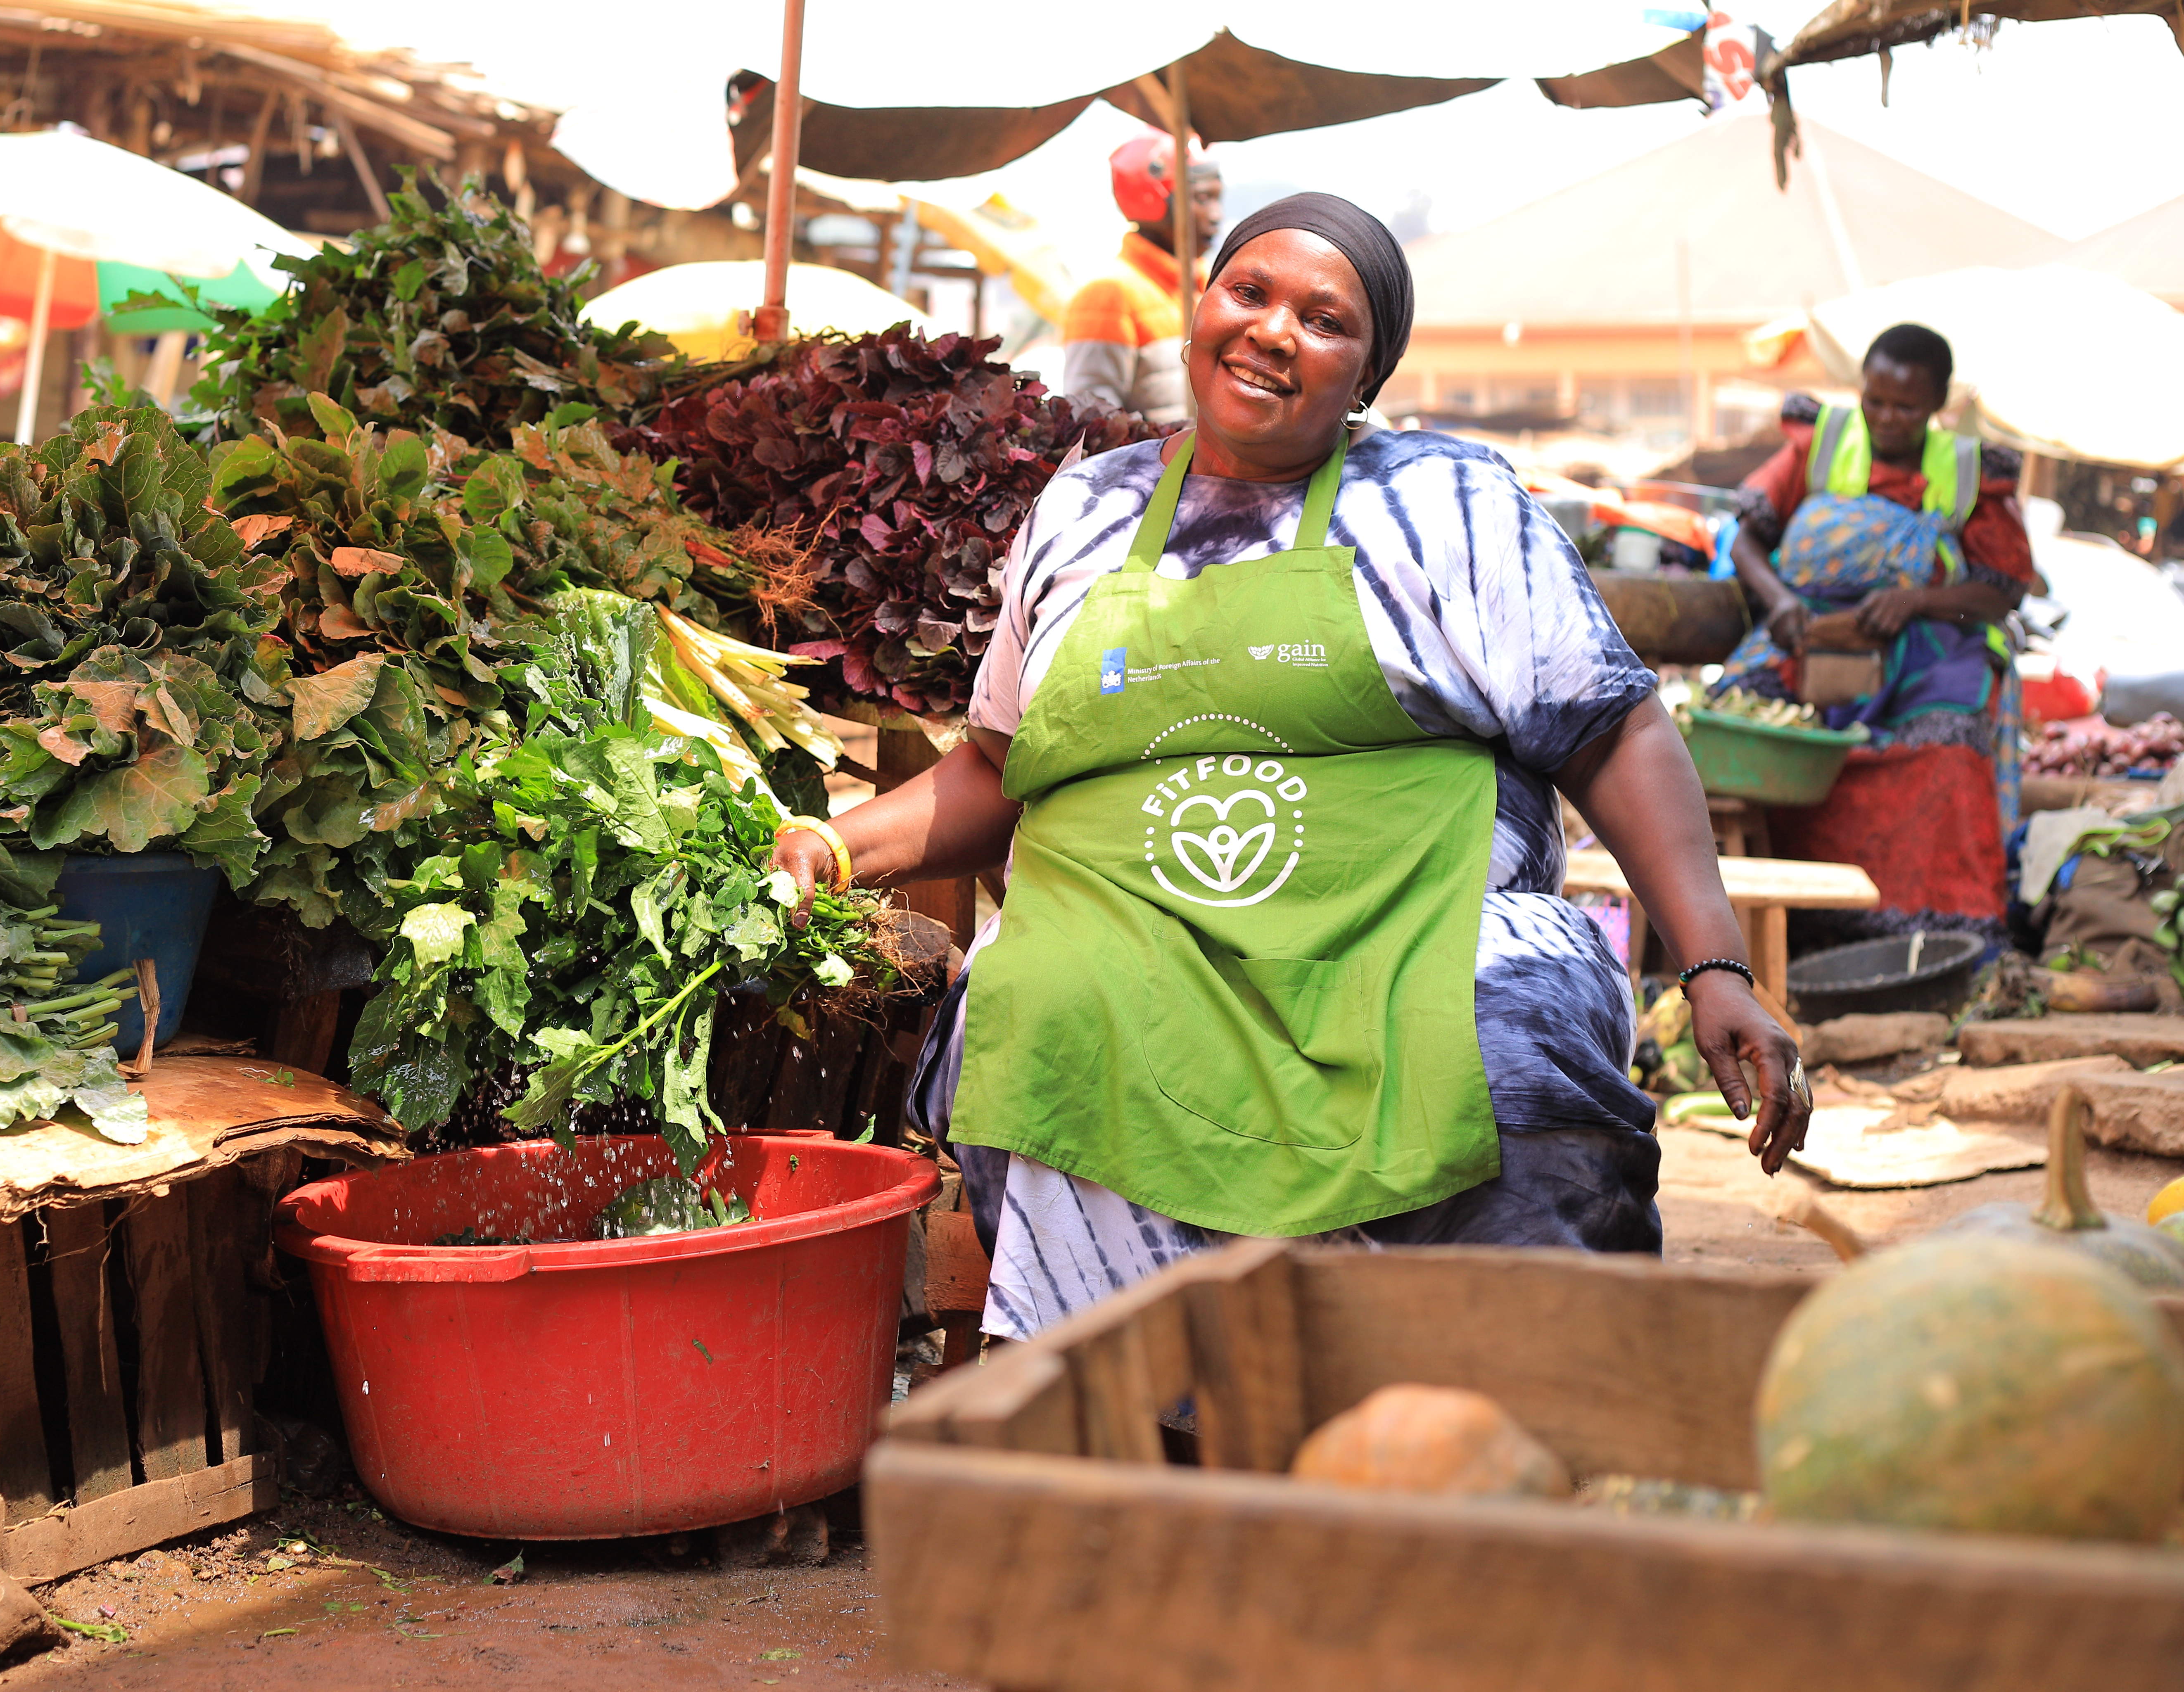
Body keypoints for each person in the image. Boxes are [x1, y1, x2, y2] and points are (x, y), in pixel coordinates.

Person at [772, 193, 1804, 1341]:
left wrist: (1715, 964)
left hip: (1407, 935)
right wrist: (828, 845)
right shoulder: (1085, 510)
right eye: (1250, 292)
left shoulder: (1446, 504)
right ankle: (1140, 1407)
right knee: (1032, 1009)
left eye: (1324, 320)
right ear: (1201, 306)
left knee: (1511, 1034)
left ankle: (1505, 1392)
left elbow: (1614, 729)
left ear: (1367, 377)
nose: (1272, 331)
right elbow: (994, 770)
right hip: (1129, 942)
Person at [1716, 325, 2031, 922]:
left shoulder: (1971, 469)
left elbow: (2003, 590)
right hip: (1807, 630)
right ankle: (1768, 915)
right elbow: (1747, 542)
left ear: (1937, 404)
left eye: (1906, 407)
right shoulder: (1820, 442)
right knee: (1739, 721)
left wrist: (1916, 602)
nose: (1886, 418)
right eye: (1875, 400)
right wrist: (1780, 602)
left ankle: (1936, 920)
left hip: (1929, 644)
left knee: (1949, 744)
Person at [1054, 133, 1223, 425]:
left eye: (1218, 198)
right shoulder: (1109, 294)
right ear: (1153, 203)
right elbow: (1092, 418)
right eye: (1202, 198)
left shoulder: (1209, 285)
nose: (1217, 215)